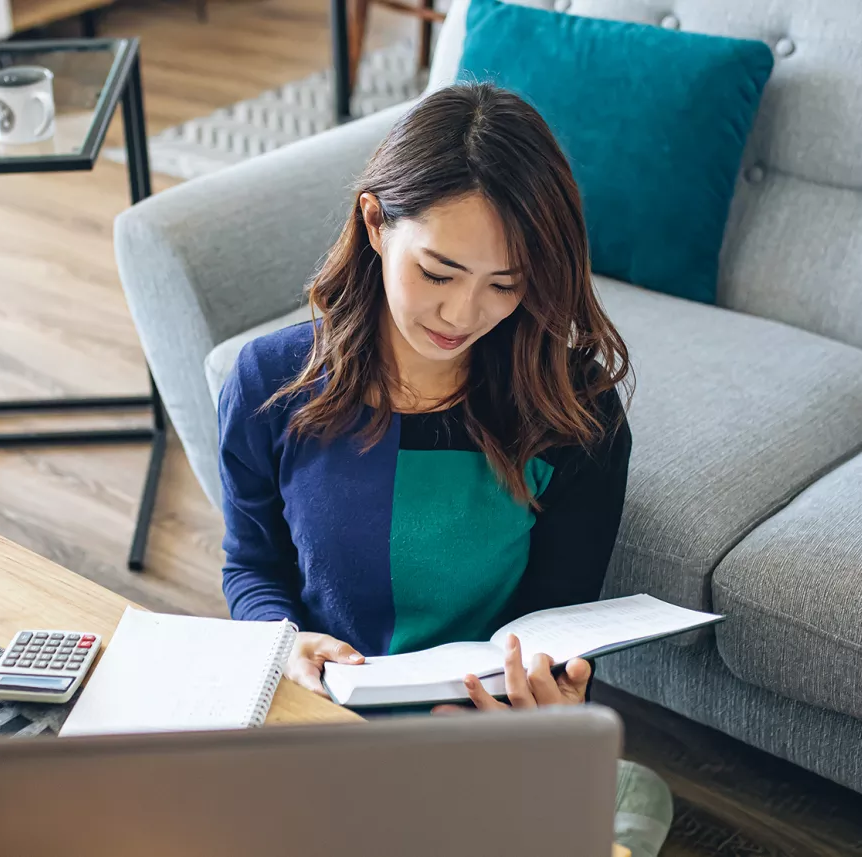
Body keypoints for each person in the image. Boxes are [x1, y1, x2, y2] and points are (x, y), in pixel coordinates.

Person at [216, 82, 672, 856]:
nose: (463, 315)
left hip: (477, 742)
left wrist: (548, 708)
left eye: (506, 284)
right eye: (438, 271)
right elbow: (252, 564)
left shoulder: (577, 412)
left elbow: (553, 619)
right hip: (322, 728)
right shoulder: (268, 381)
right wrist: (280, 637)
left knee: (638, 799)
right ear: (374, 223)